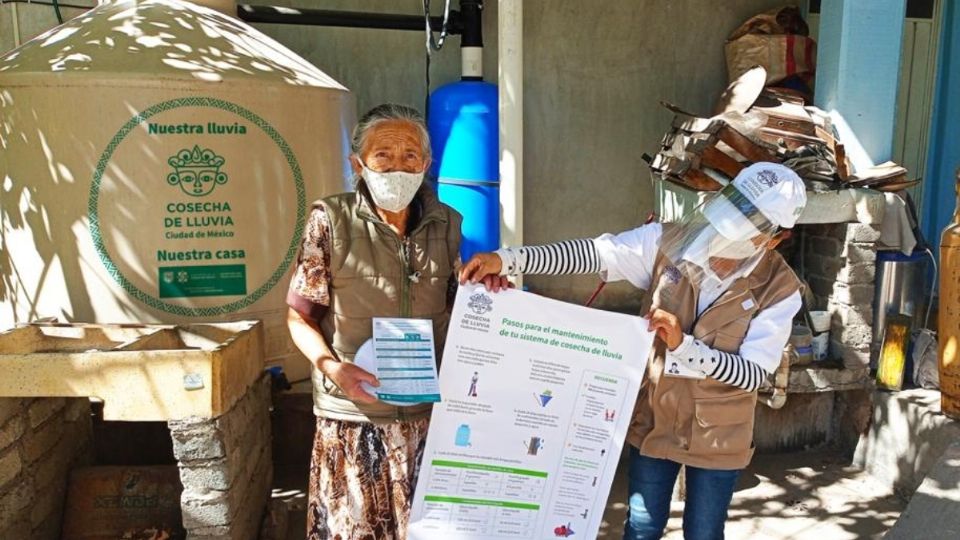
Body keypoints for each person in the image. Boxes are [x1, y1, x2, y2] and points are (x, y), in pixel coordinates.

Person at [460, 163, 807, 540]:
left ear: (775, 239)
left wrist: (684, 346)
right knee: (641, 527)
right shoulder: (671, 241)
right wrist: (509, 259)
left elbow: (754, 373)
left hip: (719, 433)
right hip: (655, 419)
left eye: (748, 226)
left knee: (704, 532)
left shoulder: (779, 288)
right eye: (732, 212)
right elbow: (594, 255)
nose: (726, 233)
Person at [286, 103, 461, 539]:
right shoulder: (330, 220)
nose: (397, 166)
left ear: (426, 164)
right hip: (354, 416)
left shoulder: (448, 225)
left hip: (425, 419)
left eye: (409, 156)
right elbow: (299, 316)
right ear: (357, 163)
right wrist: (332, 369)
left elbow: (459, 311)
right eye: (383, 154)